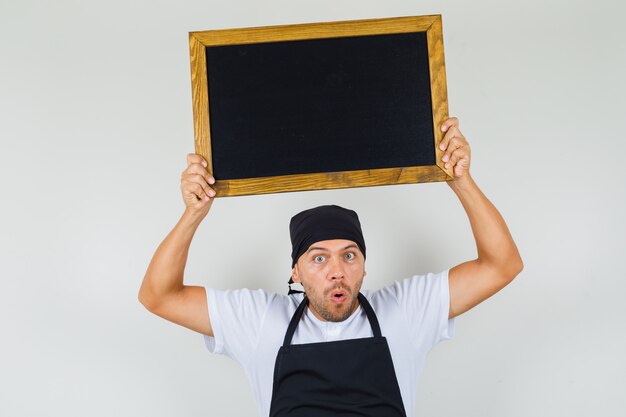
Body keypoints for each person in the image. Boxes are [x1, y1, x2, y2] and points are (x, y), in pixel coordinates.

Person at [138, 117, 523, 417]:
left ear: (365, 268)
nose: (336, 270)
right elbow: (158, 295)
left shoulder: (406, 310)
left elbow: (502, 265)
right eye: (318, 257)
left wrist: (461, 180)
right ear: (296, 273)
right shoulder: (258, 320)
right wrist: (194, 212)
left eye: (349, 255)